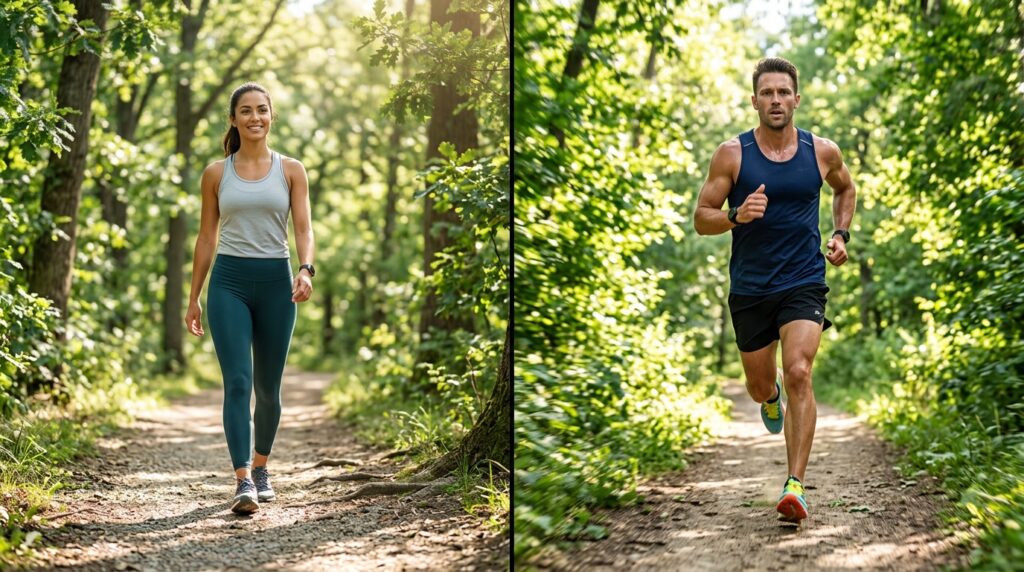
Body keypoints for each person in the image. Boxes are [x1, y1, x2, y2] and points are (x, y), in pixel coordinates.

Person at [694, 57, 856, 523]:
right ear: (755, 101)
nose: (776, 100)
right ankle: (770, 398)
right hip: (751, 287)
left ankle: (795, 486)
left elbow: (845, 190)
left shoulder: (821, 152)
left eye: (784, 92)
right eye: (767, 93)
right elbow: (702, 217)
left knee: (800, 370)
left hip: (804, 280)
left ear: (797, 99)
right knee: (760, 384)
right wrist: (735, 215)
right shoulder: (733, 154)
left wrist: (840, 234)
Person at [184, 82, 315, 515]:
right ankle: (242, 479)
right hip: (229, 284)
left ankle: (261, 468)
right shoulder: (216, 173)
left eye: (262, 109)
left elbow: (303, 229)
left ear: (271, 116)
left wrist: (306, 269)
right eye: (246, 110)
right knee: (238, 382)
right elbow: (206, 238)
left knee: (268, 388)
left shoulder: (291, 170)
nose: (254, 117)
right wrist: (194, 296)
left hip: (277, 283)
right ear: (234, 118)